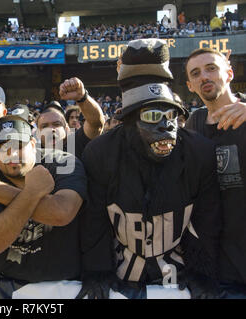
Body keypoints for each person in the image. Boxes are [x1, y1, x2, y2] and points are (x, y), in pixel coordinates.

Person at [79, 39, 222, 299]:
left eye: (171, 117)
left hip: (177, 273)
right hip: (123, 272)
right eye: (152, 117)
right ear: (129, 122)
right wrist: (97, 272)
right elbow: (95, 223)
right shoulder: (100, 153)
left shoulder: (199, 152)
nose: (167, 128)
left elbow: (206, 222)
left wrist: (203, 274)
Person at [0, 114, 87, 282]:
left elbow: (62, 212)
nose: (11, 153)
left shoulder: (62, 163)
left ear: (32, 144)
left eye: (18, 145)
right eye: (2, 147)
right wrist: (32, 194)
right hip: (7, 285)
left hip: (63, 284)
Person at [185, 47, 246, 297]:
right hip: (218, 269)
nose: (204, 77)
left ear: (229, 73)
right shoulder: (193, 125)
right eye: (196, 73)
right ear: (190, 86)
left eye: (211, 68)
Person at [35, 77, 105, 160]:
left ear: (67, 129)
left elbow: (96, 123)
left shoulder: (76, 144)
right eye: (44, 126)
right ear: (38, 133)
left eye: (57, 124)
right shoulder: (32, 155)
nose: (51, 129)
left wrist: (82, 97)